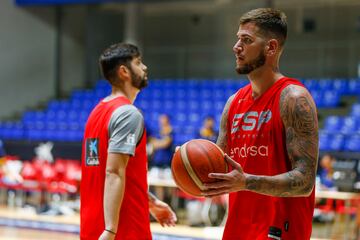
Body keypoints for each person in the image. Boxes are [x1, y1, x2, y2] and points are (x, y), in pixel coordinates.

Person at [201, 8, 319, 239]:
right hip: (237, 228)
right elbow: (219, 166)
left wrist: (246, 182)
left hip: (279, 231)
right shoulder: (233, 102)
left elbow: (305, 181)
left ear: (271, 47)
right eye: (238, 39)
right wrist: (191, 162)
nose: (236, 47)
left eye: (246, 40)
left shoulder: (294, 98)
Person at [80, 43, 176, 240]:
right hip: (123, 229)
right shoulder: (128, 114)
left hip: (92, 225)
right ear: (124, 71)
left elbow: (107, 171)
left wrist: (149, 202)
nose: (145, 67)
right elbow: (113, 172)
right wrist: (111, 229)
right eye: (139, 63)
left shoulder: (97, 111)